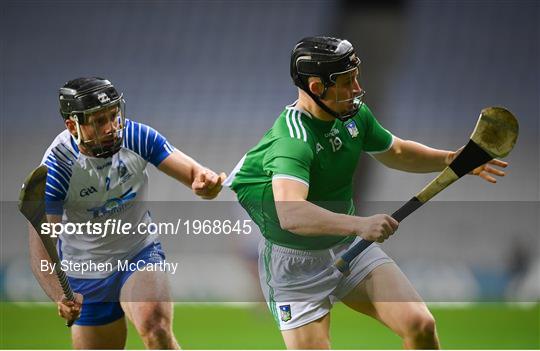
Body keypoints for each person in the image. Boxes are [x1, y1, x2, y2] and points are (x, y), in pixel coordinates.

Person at [225, 36, 508, 349]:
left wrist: (449, 159)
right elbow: (292, 214)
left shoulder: (355, 116)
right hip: (296, 266)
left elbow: (396, 151)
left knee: (420, 324)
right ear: (317, 88)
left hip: (349, 248)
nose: (358, 89)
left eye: (355, 78)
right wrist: (360, 224)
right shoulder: (292, 139)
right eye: (348, 82)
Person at [29, 77, 226, 349]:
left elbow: (195, 175)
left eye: (113, 116)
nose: (111, 128)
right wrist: (59, 295)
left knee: (155, 327)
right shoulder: (57, 168)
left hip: (138, 252)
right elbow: (42, 242)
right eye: (99, 121)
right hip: (86, 272)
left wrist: (206, 185)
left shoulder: (136, 136)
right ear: (73, 126)